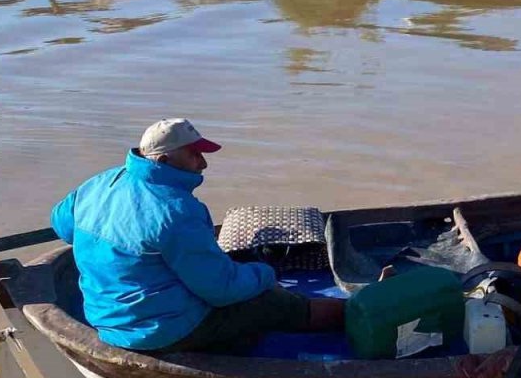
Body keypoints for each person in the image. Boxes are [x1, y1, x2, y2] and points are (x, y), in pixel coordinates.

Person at [50, 118, 344, 354]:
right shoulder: (177, 211)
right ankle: (354, 312)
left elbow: (62, 227)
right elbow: (222, 290)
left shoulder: (98, 183)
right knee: (272, 303)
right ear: (163, 161)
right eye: (194, 155)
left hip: (103, 318)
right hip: (160, 332)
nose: (202, 163)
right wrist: (264, 274)